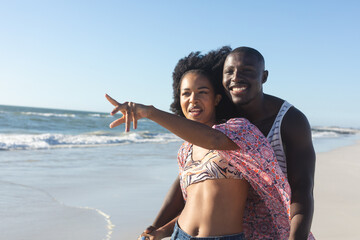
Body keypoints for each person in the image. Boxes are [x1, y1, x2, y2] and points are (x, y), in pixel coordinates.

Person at [106, 48, 291, 239]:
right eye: (186, 94)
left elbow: (213, 139)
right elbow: (194, 206)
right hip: (181, 235)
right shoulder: (185, 150)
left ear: (217, 99)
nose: (193, 100)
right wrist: (160, 230)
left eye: (202, 92)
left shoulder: (239, 130)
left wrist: (150, 112)